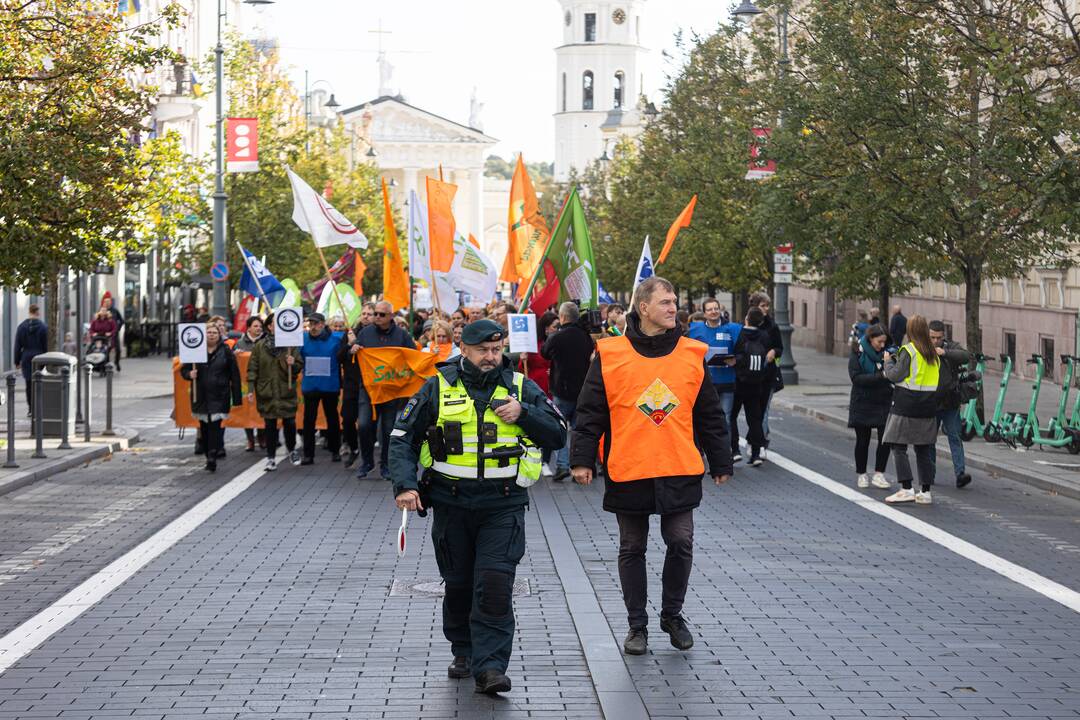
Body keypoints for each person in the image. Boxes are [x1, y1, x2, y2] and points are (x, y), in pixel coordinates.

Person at [390, 319, 567, 694]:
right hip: (451, 503)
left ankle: (490, 668)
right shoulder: (437, 386)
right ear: (464, 349)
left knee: (495, 583)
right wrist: (405, 484)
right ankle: (463, 649)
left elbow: (559, 431)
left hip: (503, 504)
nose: (491, 357)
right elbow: (402, 438)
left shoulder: (520, 387)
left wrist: (525, 415)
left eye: (496, 349)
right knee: (458, 584)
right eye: (483, 351)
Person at [570, 276, 732, 656]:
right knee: (632, 547)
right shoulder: (611, 355)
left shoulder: (692, 353)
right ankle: (637, 625)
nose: (673, 308)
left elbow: (709, 412)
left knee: (681, 541)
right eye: (665, 302)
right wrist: (581, 459)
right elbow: (590, 411)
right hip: (630, 467)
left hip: (679, 465)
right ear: (643, 308)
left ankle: (672, 615)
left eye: (674, 301)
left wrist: (721, 459)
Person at [352, 300, 416, 480]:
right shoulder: (365, 333)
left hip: (391, 390)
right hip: (369, 390)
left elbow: (413, 356)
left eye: (381, 314)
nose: (377, 317)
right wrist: (354, 348)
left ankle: (385, 464)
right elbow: (353, 351)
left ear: (390, 316)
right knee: (364, 425)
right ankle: (367, 461)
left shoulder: (402, 335)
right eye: (375, 314)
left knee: (388, 429)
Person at [883, 314, 941, 504]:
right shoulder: (934, 353)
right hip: (927, 407)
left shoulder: (909, 350)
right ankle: (925, 492)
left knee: (898, 446)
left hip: (906, 406)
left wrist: (888, 361)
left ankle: (906, 488)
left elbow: (894, 375)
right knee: (923, 449)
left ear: (910, 330)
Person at [541, 301, 595, 482]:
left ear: (562, 317)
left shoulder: (558, 336)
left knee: (559, 428)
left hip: (562, 391)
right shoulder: (585, 336)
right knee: (578, 431)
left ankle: (563, 466)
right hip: (582, 391)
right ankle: (577, 466)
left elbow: (545, 353)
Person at [180, 323, 242, 472]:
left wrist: (237, 396)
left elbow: (235, 374)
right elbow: (184, 370)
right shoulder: (194, 351)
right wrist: (190, 374)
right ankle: (208, 453)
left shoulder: (226, 351)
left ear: (219, 334)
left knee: (215, 427)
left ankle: (213, 455)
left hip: (220, 394)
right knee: (204, 427)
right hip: (201, 394)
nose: (212, 335)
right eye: (209, 332)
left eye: (214, 332)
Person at [248, 313, 303, 470]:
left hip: (286, 389)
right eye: (273, 324)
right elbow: (253, 367)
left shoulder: (291, 346)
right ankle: (271, 457)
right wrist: (251, 388)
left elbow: (299, 366)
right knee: (270, 425)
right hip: (267, 391)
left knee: (290, 423)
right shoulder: (260, 346)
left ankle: (292, 450)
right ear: (270, 327)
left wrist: (294, 363)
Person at [687, 297, 742, 437]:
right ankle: (707, 449)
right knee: (706, 419)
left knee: (726, 418)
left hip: (727, 382)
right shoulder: (695, 330)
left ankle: (726, 452)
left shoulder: (732, 329)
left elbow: (743, 351)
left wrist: (736, 359)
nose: (713, 312)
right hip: (705, 383)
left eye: (716, 309)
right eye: (710, 309)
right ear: (704, 313)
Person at [848, 324, 893, 489]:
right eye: (879, 342)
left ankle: (879, 474)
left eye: (884, 342)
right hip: (863, 401)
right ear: (870, 339)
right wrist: (881, 376)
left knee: (885, 439)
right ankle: (861, 474)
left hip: (884, 400)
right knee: (862, 440)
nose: (882, 345)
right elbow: (856, 378)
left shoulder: (889, 353)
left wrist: (888, 368)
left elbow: (895, 374)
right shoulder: (858, 352)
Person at [929, 320, 973, 488]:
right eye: (932, 337)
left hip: (949, 402)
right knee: (929, 440)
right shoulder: (922, 348)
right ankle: (929, 473)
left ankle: (960, 473)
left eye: (938, 338)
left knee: (955, 437)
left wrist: (945, 352)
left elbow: (965, 356)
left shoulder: (949, 347)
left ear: (943, 336)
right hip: (930, 402)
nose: (934, 341)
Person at [299, 312, 343, 465]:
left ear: (323, 324)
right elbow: (298, 360)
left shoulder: (336, 339)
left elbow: (345, 354)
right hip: (310, 386)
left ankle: (335, 450)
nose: (313, 327)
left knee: (332, 419)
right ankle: (308, 454)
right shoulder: (303, 339)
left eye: (316, 324)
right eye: (310, 324)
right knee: (308, 421)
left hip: (330, 386)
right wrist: (291, 360)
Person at [732, 307, 774, 466]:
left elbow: (735, 354)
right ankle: (756, 453)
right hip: (756, 384)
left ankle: (734, 450)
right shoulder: (764, 336)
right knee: (755, 419)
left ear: (746, 318)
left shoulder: (739, 334)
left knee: (731, 417)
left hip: (738, 382)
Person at [749, 291, 783, 455]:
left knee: (763, 410)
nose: (766, 309)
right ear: (755, 306)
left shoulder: (772, 326)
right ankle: (755, 439)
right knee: (753, 410)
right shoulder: (747, 325)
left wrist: (774, 352)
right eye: (763, 305)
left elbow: (780, 348)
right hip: (749, 376)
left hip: (768, 374)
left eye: (768, 305)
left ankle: (760, 442)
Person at [234, 316, 266, 452]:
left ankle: (261, 437)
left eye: (260, 326)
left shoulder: (266, 342)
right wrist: (236, 354)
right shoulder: (240, 343)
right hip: (245, 383)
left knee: (262, 410)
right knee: (246, 410)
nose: (258, 329)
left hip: (262, 381)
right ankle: (250, 439)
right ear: (248, 328)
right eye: (255, 326)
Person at [13, 304, 49, 414]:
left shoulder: (21, 327)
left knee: (29, 383)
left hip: (27, 357)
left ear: (29, 312)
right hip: (40, 356)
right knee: (40, 382)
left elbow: (17, 345)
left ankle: (30, 408)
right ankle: (39, 407)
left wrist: (17, 360)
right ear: (38, 313)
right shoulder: (43, 327)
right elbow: (45, 345)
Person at [101, 292, 125, 371]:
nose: (107, 303)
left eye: (109, 301)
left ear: (111, 302)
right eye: (106, 302)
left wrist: (118, 328)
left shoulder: (115, 311)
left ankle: (117, 362)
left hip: (114, 333)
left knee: (118, 349)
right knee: (106, 349)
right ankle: (106, 365)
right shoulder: (102, 311)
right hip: (106, 334)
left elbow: (121, 321)